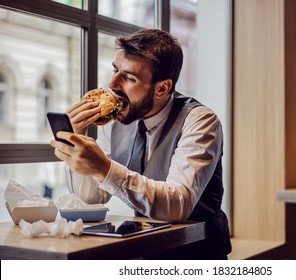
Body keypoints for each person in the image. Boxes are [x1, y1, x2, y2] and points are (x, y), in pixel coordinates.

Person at [50, 28, 231, 260]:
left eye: (129, 77)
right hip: (146, 250)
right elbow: (91, 199)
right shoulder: (115, 121)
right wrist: (76, 143)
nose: (112, 84)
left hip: (199, 253)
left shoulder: (200, 120)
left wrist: (104, 168)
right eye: (115, 70)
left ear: (162, 88)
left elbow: (178, 204)